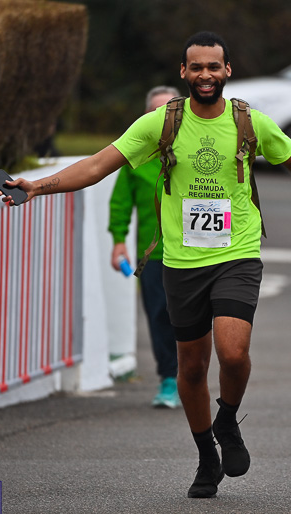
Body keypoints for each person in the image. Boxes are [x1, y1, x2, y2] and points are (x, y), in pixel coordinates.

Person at [0, 31, 291, 499]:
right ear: (183, 72)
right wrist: (38, 187)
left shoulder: (250, 121)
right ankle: (206, 453)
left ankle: (227, 421)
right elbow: (99, 164)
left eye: (214, 67)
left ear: (227, 71)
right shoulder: (160, 124)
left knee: (232, 352)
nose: (205, 75)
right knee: (190, 367)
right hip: (181, 260)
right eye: (196, 67)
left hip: (237, 252)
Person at [109, 85, 182, 409]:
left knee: (196, 319)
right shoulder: (135, 158)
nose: (162, 118)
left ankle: (192, 377)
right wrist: (118, 242)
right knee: (159, 316)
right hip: (153, 255)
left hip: (199, 252)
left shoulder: (198, 150)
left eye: (169, 111)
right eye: (155, 112)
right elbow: (121, 203)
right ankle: (169, 379)